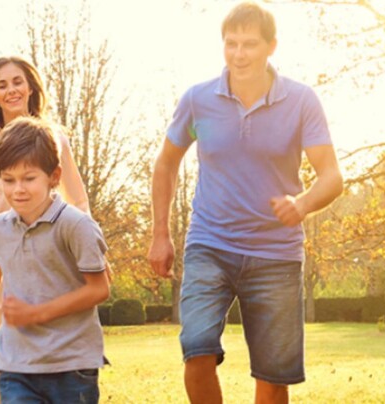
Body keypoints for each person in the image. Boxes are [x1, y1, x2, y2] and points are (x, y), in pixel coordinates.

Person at [147, 2, 344, 403]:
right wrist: (160, 234)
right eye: (231, 44)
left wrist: (302, 204)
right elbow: (166, 164)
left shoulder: (302, 101)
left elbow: (332, 176)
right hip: (210, 244)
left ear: (271, 46)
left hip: (276, 253)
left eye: (250, 44)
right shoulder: (198, 100)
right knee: (196, 351)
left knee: (273, 378)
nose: (239, 54)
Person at [0, 117, 110, 404]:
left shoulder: (76, 225)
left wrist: (38, 313)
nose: (18, 189)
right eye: (8, 180)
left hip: (71, 365)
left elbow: (99, 289)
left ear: (54, 176)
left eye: (29, 178)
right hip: (15, 364)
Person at [0, 56, 92, 402]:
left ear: (30, 86)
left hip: (52, 254)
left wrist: (88, 246)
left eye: (17, 81)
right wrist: (4, 246)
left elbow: (77, 200)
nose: (11, 90)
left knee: (54, 351)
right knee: (3, 358)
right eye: (1, 85)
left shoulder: (55, 136)